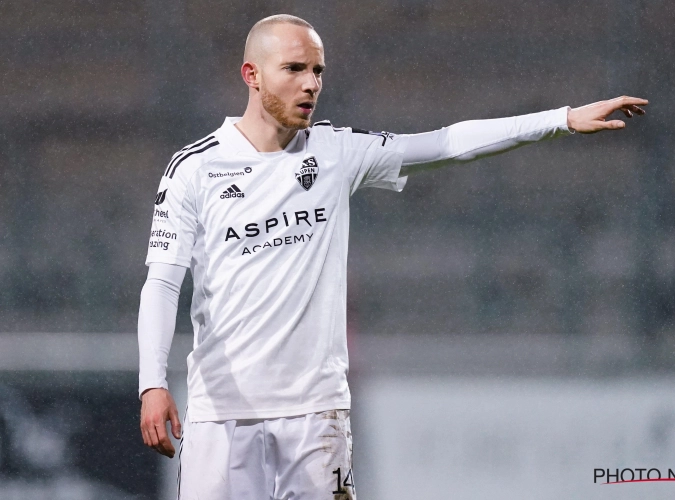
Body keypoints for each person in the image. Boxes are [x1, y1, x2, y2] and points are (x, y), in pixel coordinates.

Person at [138, 13, 647, 500]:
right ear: (251, 74)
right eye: (294, 69)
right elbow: (162, 284)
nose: (311, 83)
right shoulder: (195, 169)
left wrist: (560, 120)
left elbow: (446, 144)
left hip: (317, 415)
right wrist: (152, 383)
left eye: (318, 70)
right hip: (222, 412)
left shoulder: (336, 153)